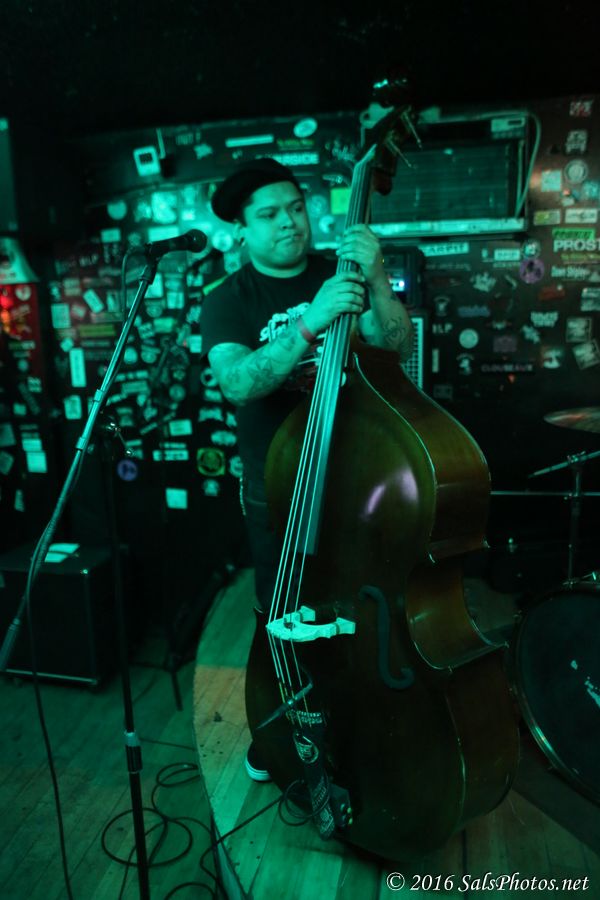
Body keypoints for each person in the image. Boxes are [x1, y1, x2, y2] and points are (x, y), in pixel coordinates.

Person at [200, 157, 413, 780]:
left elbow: (396, 346)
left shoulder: (340, 270)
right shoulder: (227, 299)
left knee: (361, 606)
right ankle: (283, 725)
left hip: (358, 474)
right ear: (241, 230)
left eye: (295, 207)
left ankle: (361, 716)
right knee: (284, 612)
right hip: (277, 483)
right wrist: (311, 322)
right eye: (269, 214)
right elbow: (238, 383)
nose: (289, 222)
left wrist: (378, 279)